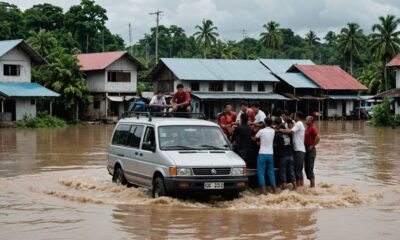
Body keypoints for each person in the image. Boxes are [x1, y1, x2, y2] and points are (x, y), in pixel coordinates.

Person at [279, 111, 306, 187]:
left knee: (298, 170)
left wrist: (279, 130)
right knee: (298, 170)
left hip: (299, 150)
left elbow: (289, 131)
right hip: (298, 149)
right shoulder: (298, 124)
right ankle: (300, 187)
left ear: (297, 117)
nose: (293, 117)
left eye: (294, 116)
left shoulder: (299, 124)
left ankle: (300, 187)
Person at [273, 118, 296, 190]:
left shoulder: (278, 135)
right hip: (291, 156)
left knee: (283, 173)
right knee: (291, 173)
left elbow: (275, 145)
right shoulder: (290, 135)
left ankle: (285, 191)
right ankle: (295, 188)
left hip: (283, 157)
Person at [255, 117, 276, 194]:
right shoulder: (273, 131)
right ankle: (274, 190)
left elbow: (255, 138)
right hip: (270, 154)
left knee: (261, 173)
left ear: (265, 123)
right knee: (271, 173)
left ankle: (263, 191)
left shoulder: (261, 131)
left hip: (262, 153)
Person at [304, 116, 320, 188]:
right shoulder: (308, 128)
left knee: (310, 168)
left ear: (310, 121)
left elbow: (318, 137)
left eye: (307, 119)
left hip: (311, 150)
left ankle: (313, 186)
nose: (305, 120)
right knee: (306, 167)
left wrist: (312, 145)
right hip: (307, 149)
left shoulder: (313, 128)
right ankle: (311, 185)